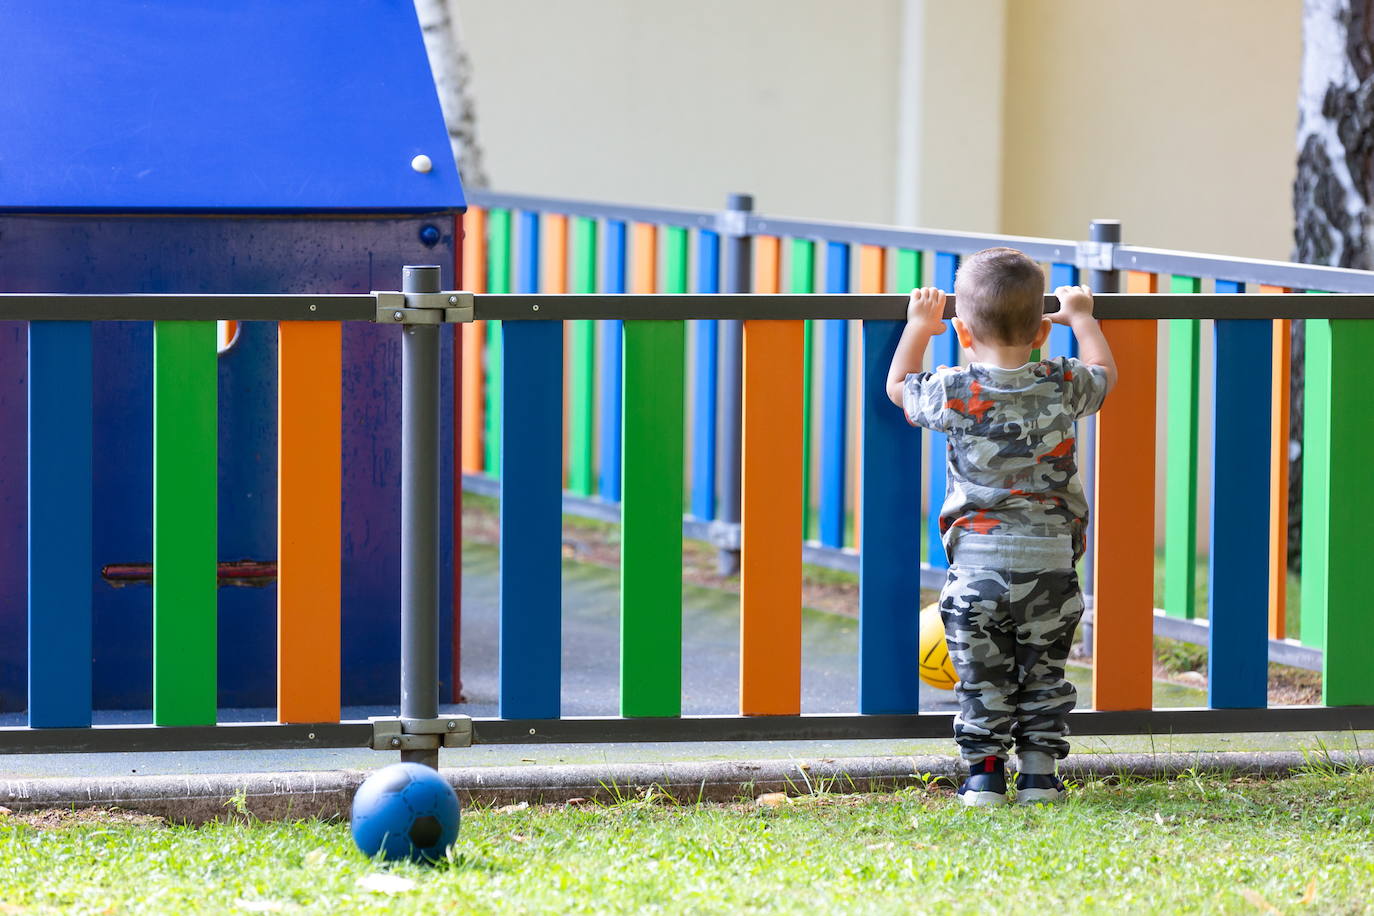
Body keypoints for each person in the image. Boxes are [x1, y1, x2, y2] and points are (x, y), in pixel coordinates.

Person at [884, 247, 1116, 806]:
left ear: (961, 332)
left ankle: (984, 776)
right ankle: (1039, 776)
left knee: (981, 680)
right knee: (1044, 675)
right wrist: (1083, 317)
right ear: (1042, 331)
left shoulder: (954, 389)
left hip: (977, 569)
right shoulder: (1062, 382)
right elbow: (1105, 376)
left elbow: (899, 386)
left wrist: (919, 325)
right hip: (1051, 564)